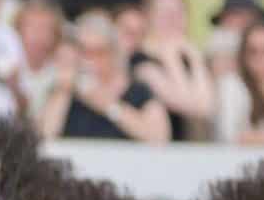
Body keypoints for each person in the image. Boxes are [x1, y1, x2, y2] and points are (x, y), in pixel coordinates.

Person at [31, 11, 168, 144]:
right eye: (82, 50)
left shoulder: (138, 91)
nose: (88, 59)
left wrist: (109, 106)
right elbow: (44, 137)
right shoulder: (64, 89)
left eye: (97, 52)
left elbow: (159, 137)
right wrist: (63, 91)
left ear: (113, 53)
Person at [128, 0, 215, 143]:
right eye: (164, 13)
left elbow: (208, 106)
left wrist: (194, 60)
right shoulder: (140, 62)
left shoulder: (190, 58)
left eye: (179, 11)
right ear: (148, 17)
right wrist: (171, 57)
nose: (173, 19)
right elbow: (190, 106)